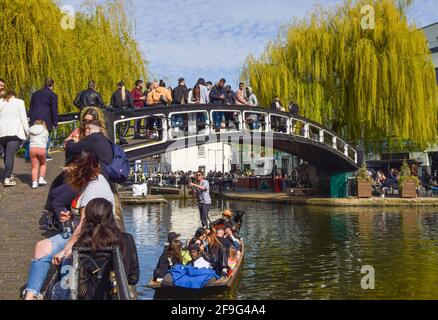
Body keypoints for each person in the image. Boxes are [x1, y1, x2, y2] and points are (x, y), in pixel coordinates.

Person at [24, 150, 115, 300]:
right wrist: (71, 215)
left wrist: (66, 250)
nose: (70, 170)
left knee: (66, 261)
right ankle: (30, 294)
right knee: (41, 247)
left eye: (74, 166)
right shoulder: (89, 181)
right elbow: (82, 217)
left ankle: (64, 293)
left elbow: (84, 226)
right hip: (76, 231)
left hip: (89, 236)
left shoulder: (94, 189)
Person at [50, 198, 139, 300]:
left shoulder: (80, 244)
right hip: (116, 296)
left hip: (88, 296)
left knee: (57, 289)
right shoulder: (126, 240)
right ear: (111, 217)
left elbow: (77, 281)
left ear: (86, 219)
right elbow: (133, 278)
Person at [0, 90, 30, 186]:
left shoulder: (0, 102)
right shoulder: (19, 102)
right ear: (14, 95)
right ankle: (7, 178)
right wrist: (28, 133)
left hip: (1, 133)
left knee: (6, 154)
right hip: (14, 132)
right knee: (9, 155)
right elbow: (23, 118)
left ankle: (8, 174)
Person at [28, 78, 59, 160]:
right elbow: (54, 110)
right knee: (46, 136)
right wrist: (55, 122)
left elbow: (31, 107)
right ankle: (44, 154)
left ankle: (30, 154)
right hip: (46, 119)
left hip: (34, 118)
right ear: (52, 85)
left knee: (34, 136)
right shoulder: (53, 95)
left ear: (44, 84)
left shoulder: (35, 94)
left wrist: (29, 117)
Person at [28, 120, 49, 189]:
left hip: (32, 148)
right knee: (43, 164)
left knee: (34, 167)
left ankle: (34, 183)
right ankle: (41, 179)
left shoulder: (30, 130)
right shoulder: (45, 131)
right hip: (41, 148)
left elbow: (28, 139)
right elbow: (46, 140)